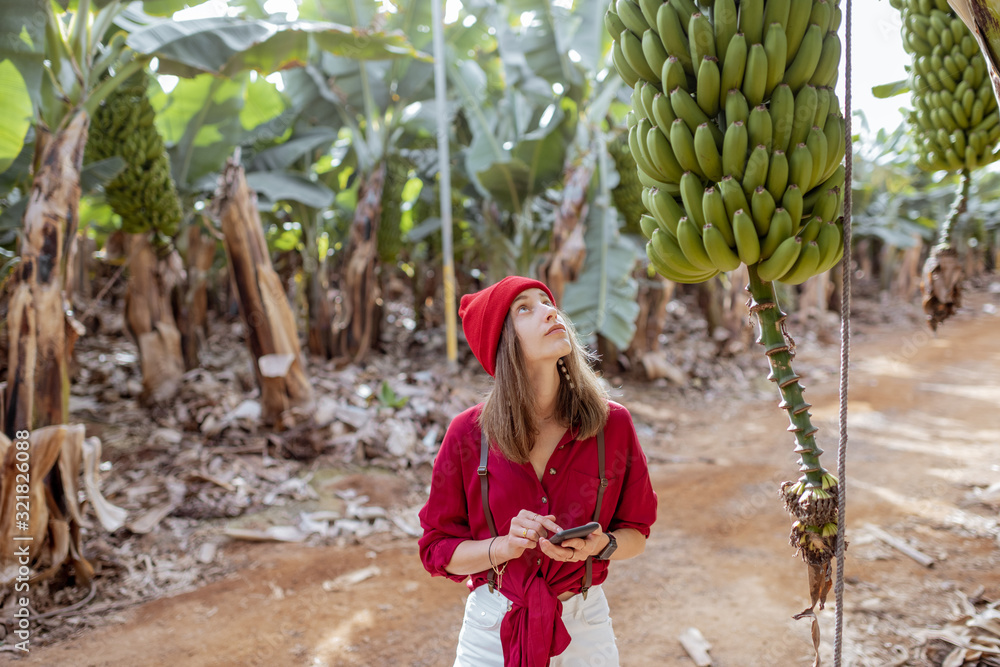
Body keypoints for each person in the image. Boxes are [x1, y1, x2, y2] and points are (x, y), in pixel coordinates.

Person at [419, 276, 658, 667]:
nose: (550, 311)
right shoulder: (466, 434)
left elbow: (637, 533)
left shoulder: (612, 425)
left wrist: (600, 545)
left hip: (585, 626)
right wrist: (503, 547)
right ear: (503, 342)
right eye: (525, 308)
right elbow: (437, 550)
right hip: (491, 629)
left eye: (547, 302)